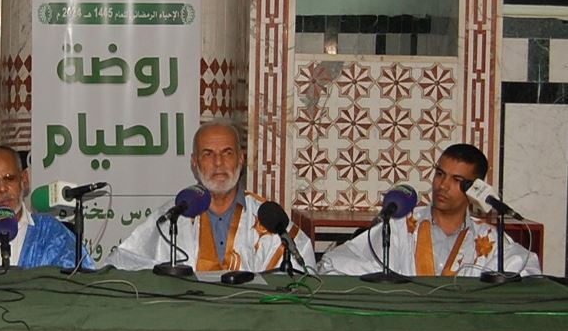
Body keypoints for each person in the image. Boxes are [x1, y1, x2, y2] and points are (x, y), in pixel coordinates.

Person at [107, 120, 316, 273]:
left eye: (227, 153)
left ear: (240, 159)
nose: (218, 163)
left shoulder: (267, 217)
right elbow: (124, 263)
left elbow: (303, 271)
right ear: (194, 163)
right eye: (208, 154)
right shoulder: (174, 215)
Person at [318, 143, 541, 276]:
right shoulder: (400, 226)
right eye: (440, 174)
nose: (442, 185)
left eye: (456, 180)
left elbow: (528, 271)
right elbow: (335, 263)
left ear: (475, 188)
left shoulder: (488, 239)